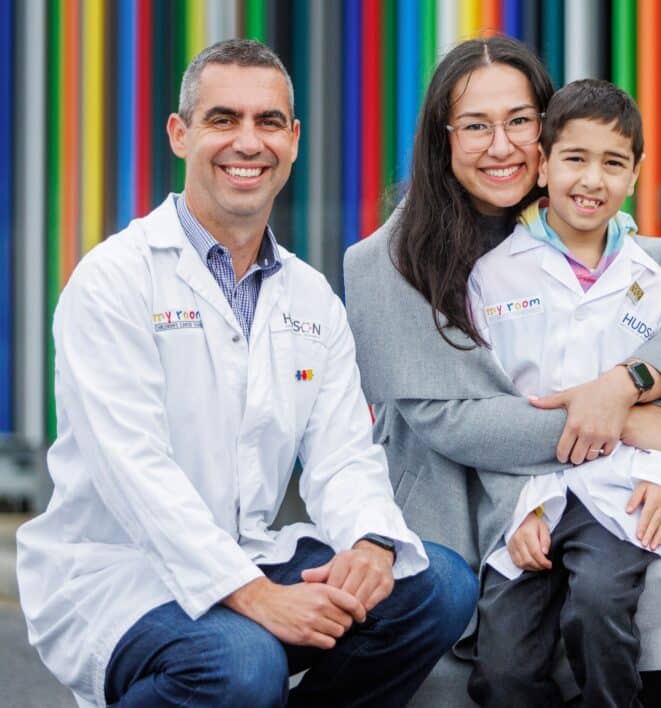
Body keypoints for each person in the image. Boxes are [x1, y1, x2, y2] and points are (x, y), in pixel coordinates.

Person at [16, 39, 477, 708]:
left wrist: (372, 542)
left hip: (251, 551)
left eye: (267, 123)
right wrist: (255, 597)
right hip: (118, 572)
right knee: (242, 664)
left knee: (435, 583)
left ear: (292, 141)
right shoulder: (115, 280)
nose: (247, 142)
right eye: (223, 119)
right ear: (180, 134)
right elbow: (136, 473)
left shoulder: (310, 297)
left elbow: (343, 456)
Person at [344, 35, 661, 707]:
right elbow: (450, 421)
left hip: (585, 502)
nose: (501, 146)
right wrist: (621, 422)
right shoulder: (385, 262)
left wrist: (624, 386)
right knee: (504, 670)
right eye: (475, 126)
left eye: (520, 121)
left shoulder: (600, 238)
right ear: (442, 138)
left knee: (638, 605)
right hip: (456, 519)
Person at [465, 79, 661, 708]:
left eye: (613, 162)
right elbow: (491, 408)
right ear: (541, 162)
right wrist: (520, 511)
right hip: (536, 497)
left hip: (620, 494)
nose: (592, 180)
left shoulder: (649, 277)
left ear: (636, 174)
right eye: (575, 158)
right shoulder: (492, 276)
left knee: (597, 612)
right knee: (505, 667)